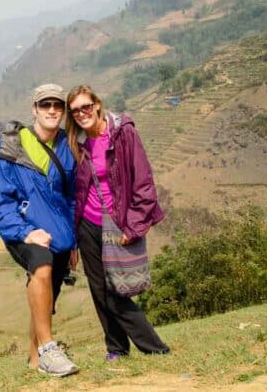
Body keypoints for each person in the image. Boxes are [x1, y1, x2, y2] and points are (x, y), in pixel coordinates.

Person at [64, 84, 170, 361]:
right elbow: (74, 192)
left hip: (118, 223)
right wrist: (72, 238)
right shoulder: (77, 143)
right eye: (75, 111)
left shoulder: (123, 133)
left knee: (117, 291)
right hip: (87, 225)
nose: (81, 114)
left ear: (97, 104)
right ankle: (116, 348)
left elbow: (143, 182)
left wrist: (134, 227)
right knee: (99, 290)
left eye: (86, 107)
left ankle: (154, 347)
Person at [0, 83, 80, 377]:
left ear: (63, 111)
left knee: (47, 299)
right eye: (45, 105)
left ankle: (34, 359)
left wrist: (73, 240)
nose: (52, 110)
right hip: (23, 230)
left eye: (58, 105)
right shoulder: (11, 146)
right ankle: (49, 349)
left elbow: (72, 197)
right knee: (40, 266)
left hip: (59, 234)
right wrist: (25, 232)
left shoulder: (67, 146)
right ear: (34, 110)